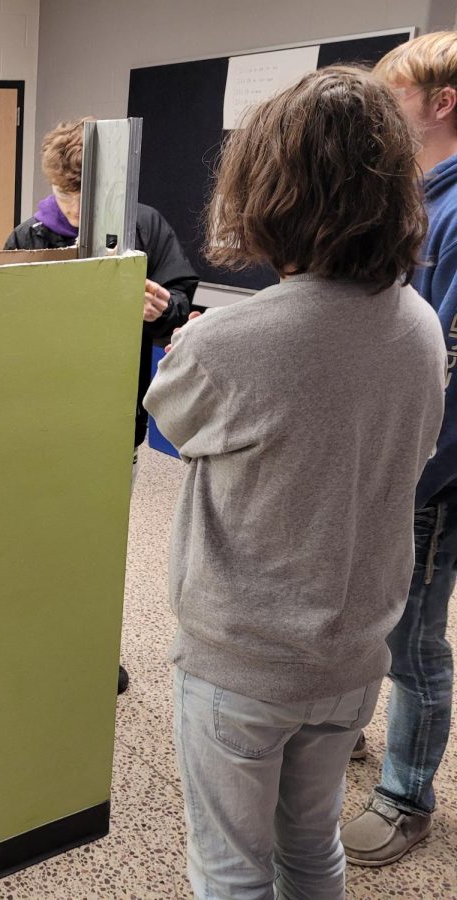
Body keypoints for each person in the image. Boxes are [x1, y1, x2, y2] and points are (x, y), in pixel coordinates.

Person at [144, 67, 445, 899]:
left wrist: (192, 345)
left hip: (240, 664)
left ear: (268, 191)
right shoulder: (419, 324)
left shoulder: (232, 343)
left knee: (230, 868)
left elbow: (171, 422)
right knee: (311, 849)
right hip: (351, 657)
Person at [7, 117, 200, 695]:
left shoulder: (145, 225)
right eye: (65, 198)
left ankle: (93, 648)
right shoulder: (27, 238)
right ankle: (35, 642)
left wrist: (164, 309)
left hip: (116, 421)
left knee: (102, 543)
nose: (72, 213)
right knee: (38, 539)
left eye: (83, 198)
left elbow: (184, 307)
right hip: (39, 422)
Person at [341, 30, 457, 868]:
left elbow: (446, 365)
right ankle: (344, 725)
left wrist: (407, 474)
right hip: (387, 462)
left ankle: (405, 796)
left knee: (412, 640)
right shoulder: (414, 200)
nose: (383, 114)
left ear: (442, 102)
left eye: (397, 97)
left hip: (429, 474)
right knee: (365, 612)